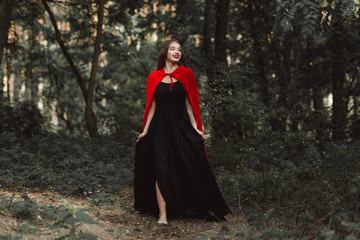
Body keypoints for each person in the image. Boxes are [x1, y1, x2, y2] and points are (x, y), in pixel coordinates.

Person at [134, 39, 231, 225]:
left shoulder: (187, 74)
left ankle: (198, 205)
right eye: (172, 49)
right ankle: (163, 215)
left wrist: (196, 128)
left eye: (179, 49)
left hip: (181, 126)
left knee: (190, 163)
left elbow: (190, 103)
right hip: (158, 128)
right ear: (165, 52)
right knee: (161, 169)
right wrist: (145, 130)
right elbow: (151, 105)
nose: (177, 52)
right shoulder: (153, 76)